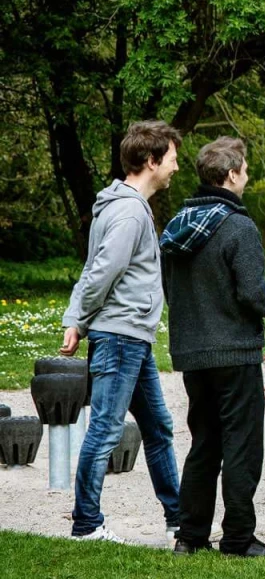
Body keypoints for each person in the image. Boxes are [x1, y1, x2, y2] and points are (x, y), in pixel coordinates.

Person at [159, 136, 265, 557]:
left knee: (203, 445)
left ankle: (190, 537)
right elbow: (252, 292)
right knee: (241, 448)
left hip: (193, 354)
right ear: (231, 175)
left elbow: (170, 289)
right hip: (234, 353)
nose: (247, 178)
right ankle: (237, 540)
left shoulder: (178, 224)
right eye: (245, 171)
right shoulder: (238, 225)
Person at [60, 120, 183, 545]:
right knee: (106, 431)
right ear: (150, 161)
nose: (176, 167)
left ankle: (178, 519)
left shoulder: (122, 207)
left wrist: (76, 319)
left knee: (159, 427)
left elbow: (93, 269)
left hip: (133, 338)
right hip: (120, 337)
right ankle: (86, 525)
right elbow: (101, 273)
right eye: (171, 158)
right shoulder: (129, 211)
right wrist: (78, 319)